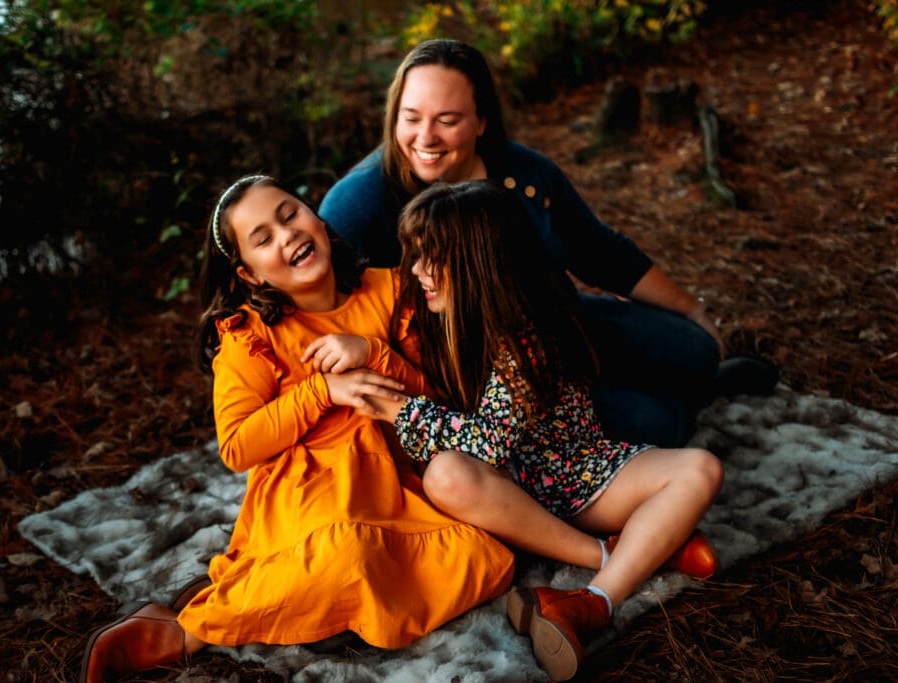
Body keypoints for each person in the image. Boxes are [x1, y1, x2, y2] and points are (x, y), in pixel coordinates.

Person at [78, 175, 515, 682]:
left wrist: (373, 354)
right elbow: (238, 446)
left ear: (318, 219)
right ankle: (194, 627)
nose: (286, 236)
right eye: (263, 238)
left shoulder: (392, 288)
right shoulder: (251, 336)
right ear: (250, 274)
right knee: (346, 552)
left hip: (403, 475)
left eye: (290, 214)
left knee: (488, 558)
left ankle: (321, 605)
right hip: (312, 489)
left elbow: (444, 396)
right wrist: (321, 390)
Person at [319, 38, 778, 448]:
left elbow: (599, 250)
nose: (426, 137)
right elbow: (319, 307)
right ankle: (675, 404)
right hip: (478, 374)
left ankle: (688, 381)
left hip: (559, 321)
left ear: (481, 121)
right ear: (394, 115)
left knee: (696, 349)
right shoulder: (359, 205)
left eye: (448, 120)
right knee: (655, 424)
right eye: (412, 118)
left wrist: (692, 310)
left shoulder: (524, 173)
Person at [357, 180, 724, 681]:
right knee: (447, 475)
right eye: (415, 253)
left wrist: (399, 408)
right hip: (508, 498)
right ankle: (631, 551)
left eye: (433, 255)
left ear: (481, 261)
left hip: (578, 478)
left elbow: (489, 441)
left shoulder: (525, 336)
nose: (417, 269)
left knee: (700, 468)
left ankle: (594, 599)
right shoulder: (441, 320)